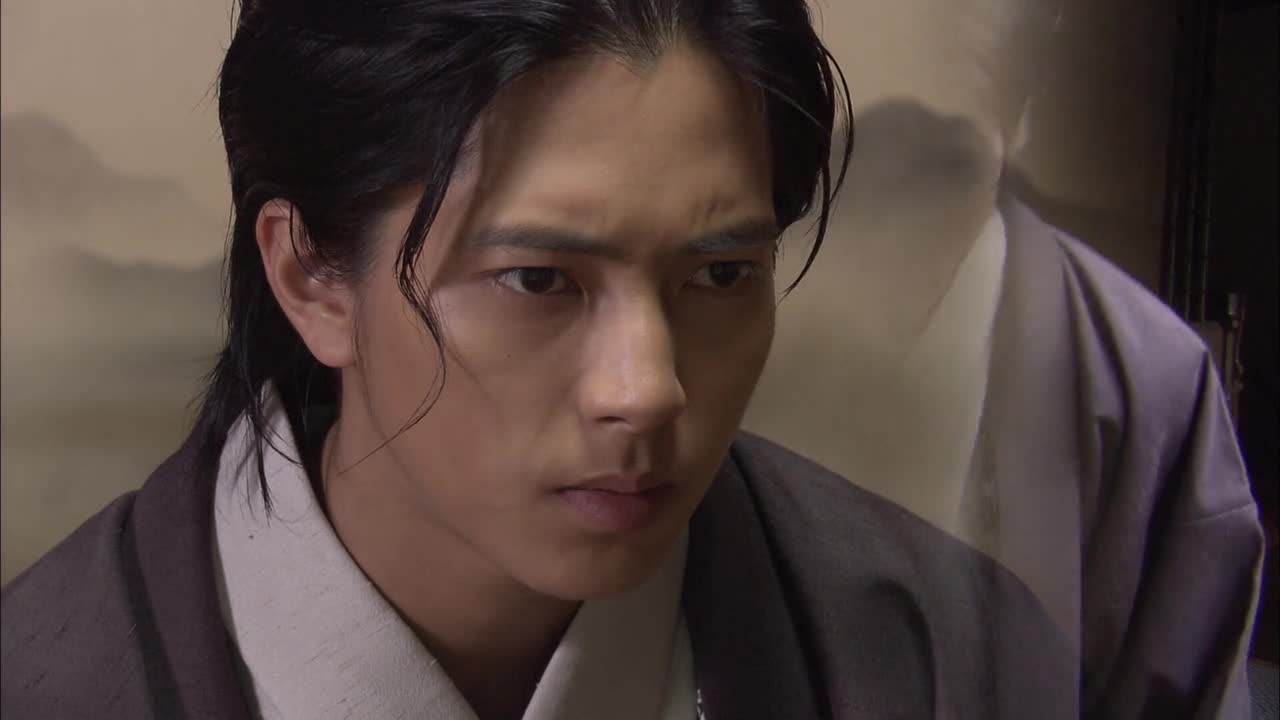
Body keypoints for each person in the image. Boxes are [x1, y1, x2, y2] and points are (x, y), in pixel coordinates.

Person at [0, 2, 1261, 719]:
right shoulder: (50, 676)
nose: (646, 389)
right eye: (538, 281)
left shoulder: (949, 657)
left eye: (720, 276)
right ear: (310, 276)